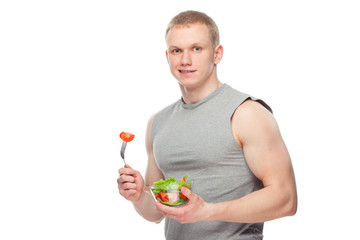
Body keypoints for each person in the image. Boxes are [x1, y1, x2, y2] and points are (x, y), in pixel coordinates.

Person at [118, 10, 297, 240]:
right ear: (167, 56)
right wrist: (139, 196)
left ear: (217, 54)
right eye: (176, 51)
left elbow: (286, 199)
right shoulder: (157, 123)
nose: (185, 60)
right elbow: (156, 212)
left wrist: (208, 211)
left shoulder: (246, 113)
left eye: (196, 48)